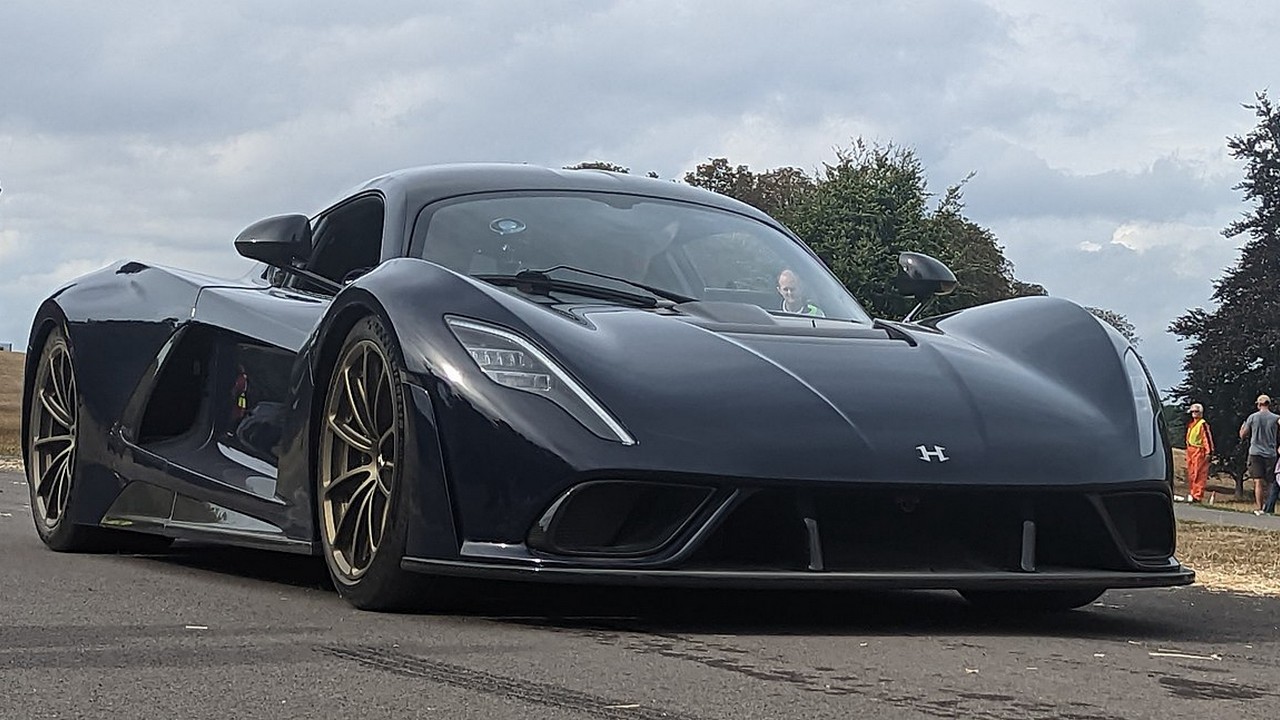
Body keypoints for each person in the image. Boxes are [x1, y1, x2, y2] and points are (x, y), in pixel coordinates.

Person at [1238, 394, 1280, 515]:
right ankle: (1269, 507)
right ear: (1269, 404)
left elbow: (1243, 435)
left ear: (1258, 404)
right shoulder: (1275, 417)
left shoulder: (1253, 417)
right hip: (1271, 453)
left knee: (1258, 481)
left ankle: (1259, 508)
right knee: (1271, 482)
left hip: (1255, 452)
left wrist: (1241, 429)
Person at [1184, 403, 1214, 503]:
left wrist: (1209, 452)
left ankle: (1197, 496)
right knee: (1192, 473)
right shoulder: (1192, 424)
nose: (1194, 413)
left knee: (1199, 473)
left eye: (1196, 411)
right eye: (1192, 411)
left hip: (1199, 451)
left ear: (1201, 412)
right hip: (1191, 450)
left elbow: (1207, 438)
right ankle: (1193, 494)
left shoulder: (1202, 424)